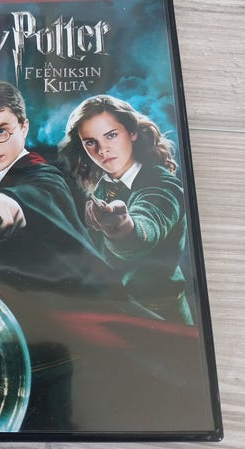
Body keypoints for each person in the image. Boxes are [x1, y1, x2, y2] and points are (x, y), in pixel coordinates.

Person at [0, 80, 123, 295]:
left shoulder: (43, 175)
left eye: (1, 131)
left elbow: (41, 191)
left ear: (24, 128)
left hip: (86, 305)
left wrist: (6, 203)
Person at [59, 94, 193, 325]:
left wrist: (122, 229)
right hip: (118, 310)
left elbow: (147, 225)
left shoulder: (161, 184)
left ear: (132, 132)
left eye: (111, 135)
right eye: (90, 142)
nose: (102, 149)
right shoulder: (103, 185)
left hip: (162, 317)